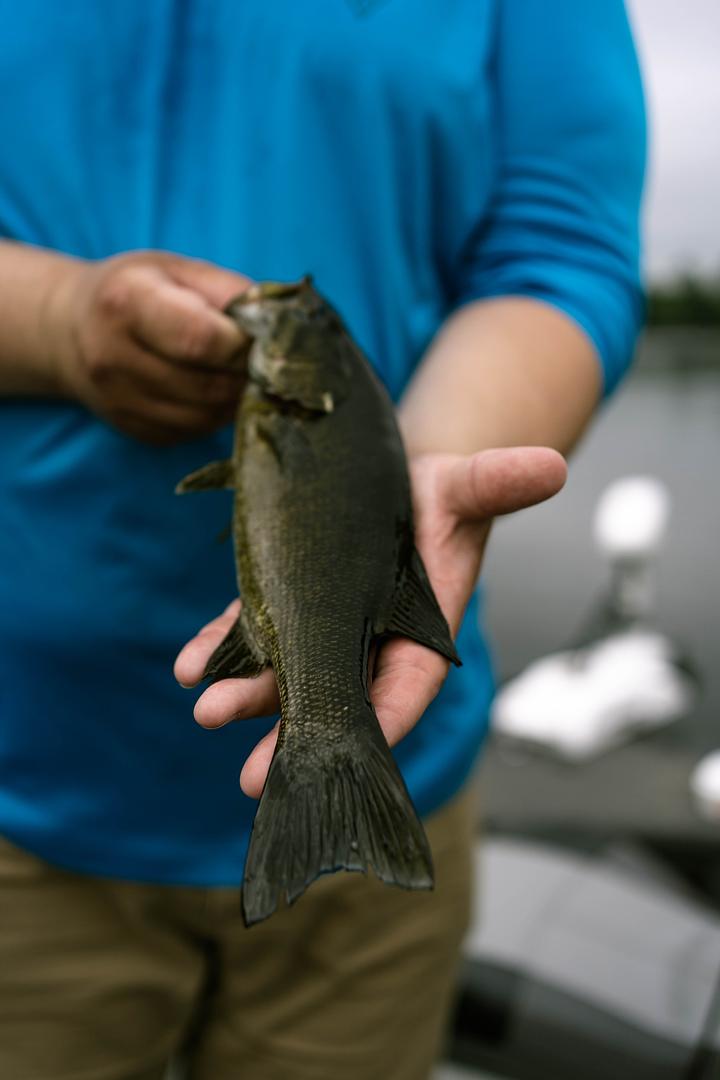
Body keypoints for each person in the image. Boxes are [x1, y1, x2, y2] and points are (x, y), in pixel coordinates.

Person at [0, 2, 645, 1077]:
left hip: (398, 774)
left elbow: (561, 253)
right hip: (21, 777)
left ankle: (332, 769)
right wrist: (62, 320)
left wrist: (425, 465)